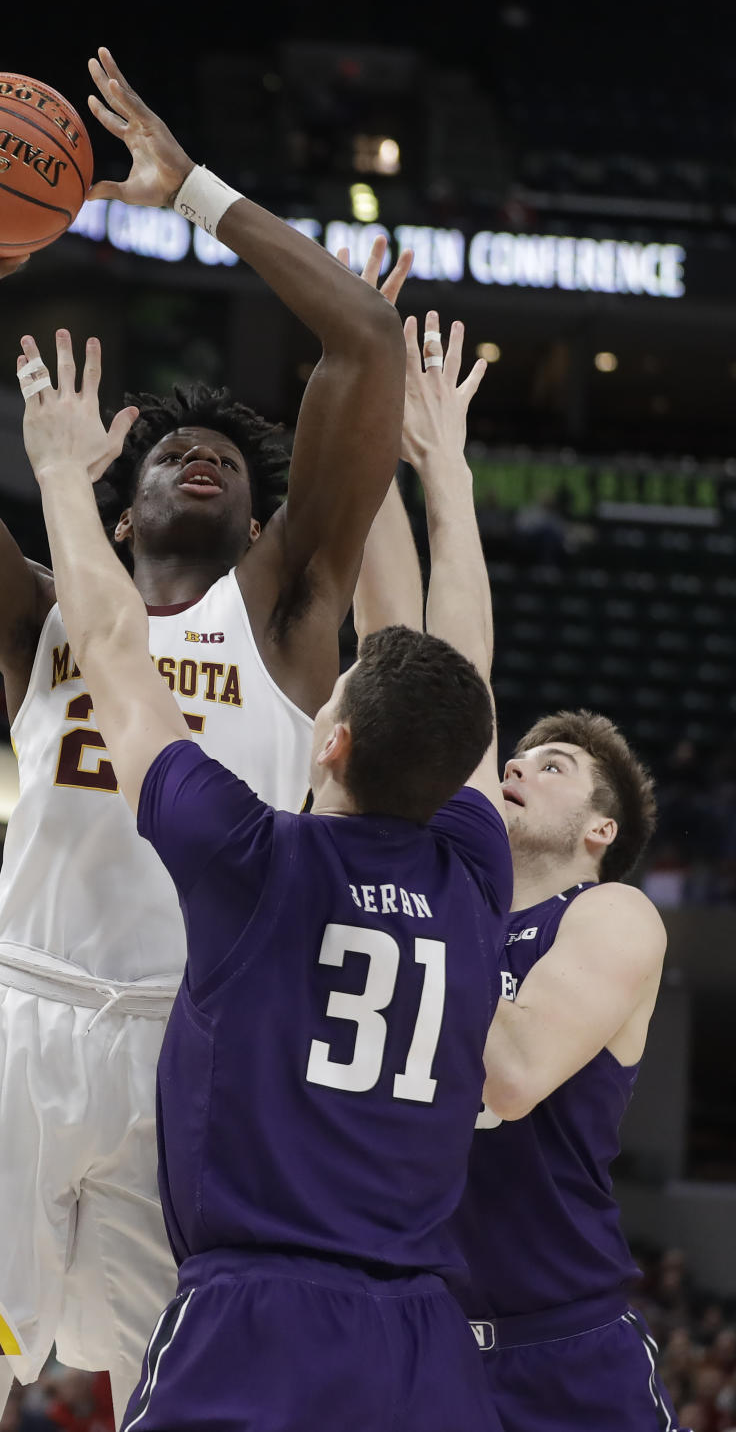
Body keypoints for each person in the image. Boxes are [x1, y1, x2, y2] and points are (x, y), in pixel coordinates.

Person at [0, 47, 405, 1432]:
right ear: (117, 508)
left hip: (199, 1050)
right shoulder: (41, 618)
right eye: (169, 450)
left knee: (190, 1399)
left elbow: (366, 344)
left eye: (226, 452)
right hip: (24, 1014)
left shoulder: (288, 615)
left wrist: (197, 194)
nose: (201, 454)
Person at [16, 295, 510, 1429]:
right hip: (420, 1337)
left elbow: (107, 648)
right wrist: (430, 464)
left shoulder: (250, 860)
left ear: (328, 739)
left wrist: (57, 472)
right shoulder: (473, 874)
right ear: (458, 772)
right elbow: (459, 663)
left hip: (254, 1309)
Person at [352, 308, 681, 1431]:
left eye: (552, 764)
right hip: (421, 1342)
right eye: (517, 754)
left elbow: (510, 1075)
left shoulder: (615, 916)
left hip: (561, 1349)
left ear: (599, 830)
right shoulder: (459, 882)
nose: (518, 766)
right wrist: (368, 431)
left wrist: (450, 464)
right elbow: (406, 651)